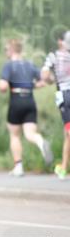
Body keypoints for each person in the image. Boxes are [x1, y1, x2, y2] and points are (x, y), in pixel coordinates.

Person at [0, 38, 52, 176]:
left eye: (6, 50)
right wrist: (32, 84)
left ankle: (18, 167)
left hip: (16, 101)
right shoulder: (30, 65)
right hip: (29, 100)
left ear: (11, 50)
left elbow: (3, 86)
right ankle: (40, 142)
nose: (5, 52)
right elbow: (46, 80)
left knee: (15, 135)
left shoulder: (9, 66)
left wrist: (2, 86)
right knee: (30, 134)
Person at [41, 30, 70, 179]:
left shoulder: (54, 56)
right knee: (67, 134)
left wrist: (51, 79)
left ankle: (64, 168)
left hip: (65, 95)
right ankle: (64, 167)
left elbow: (44, 75)